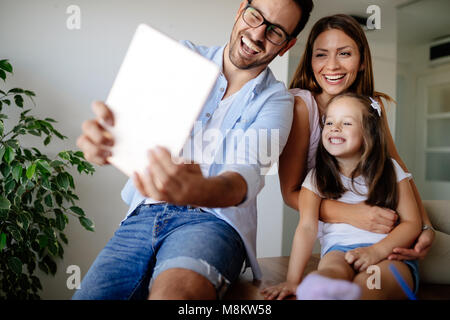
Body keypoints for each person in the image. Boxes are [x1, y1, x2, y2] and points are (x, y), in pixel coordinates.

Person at [73, 0, 314, 300]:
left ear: (287, 45)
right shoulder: (184, 58)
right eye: (255, 16)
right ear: (241, 9)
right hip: (142, 214)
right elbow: (132, 129)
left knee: (174, 296)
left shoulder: (277, 101)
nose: (257, 34)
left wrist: (198, 189)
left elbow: (245, 176)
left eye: (275, 31)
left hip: (214, 223)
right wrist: (107, 144)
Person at [277, 14, 434, 265]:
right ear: (309, 61)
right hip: (343, 235)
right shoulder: (301, 107)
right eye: (321, 54)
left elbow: (398, 166)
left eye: (344, 53)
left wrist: (425, 226)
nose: (332, 66)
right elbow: (290, 193)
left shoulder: (373, 105)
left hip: (390, 231)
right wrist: (354, 215)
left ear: (361, 61)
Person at [262, 93, 422, 300]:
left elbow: (412, 223)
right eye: (329, 122)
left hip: (390, 254)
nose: (334, 127)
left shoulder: (391, 170)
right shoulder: (316, 177)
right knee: (331, 272)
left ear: (368, 133)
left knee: (371, 283)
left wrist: (376, 252)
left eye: (346, 123)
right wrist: (293, 280)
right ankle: (319, 290)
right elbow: (307, 228)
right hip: (339, 251)